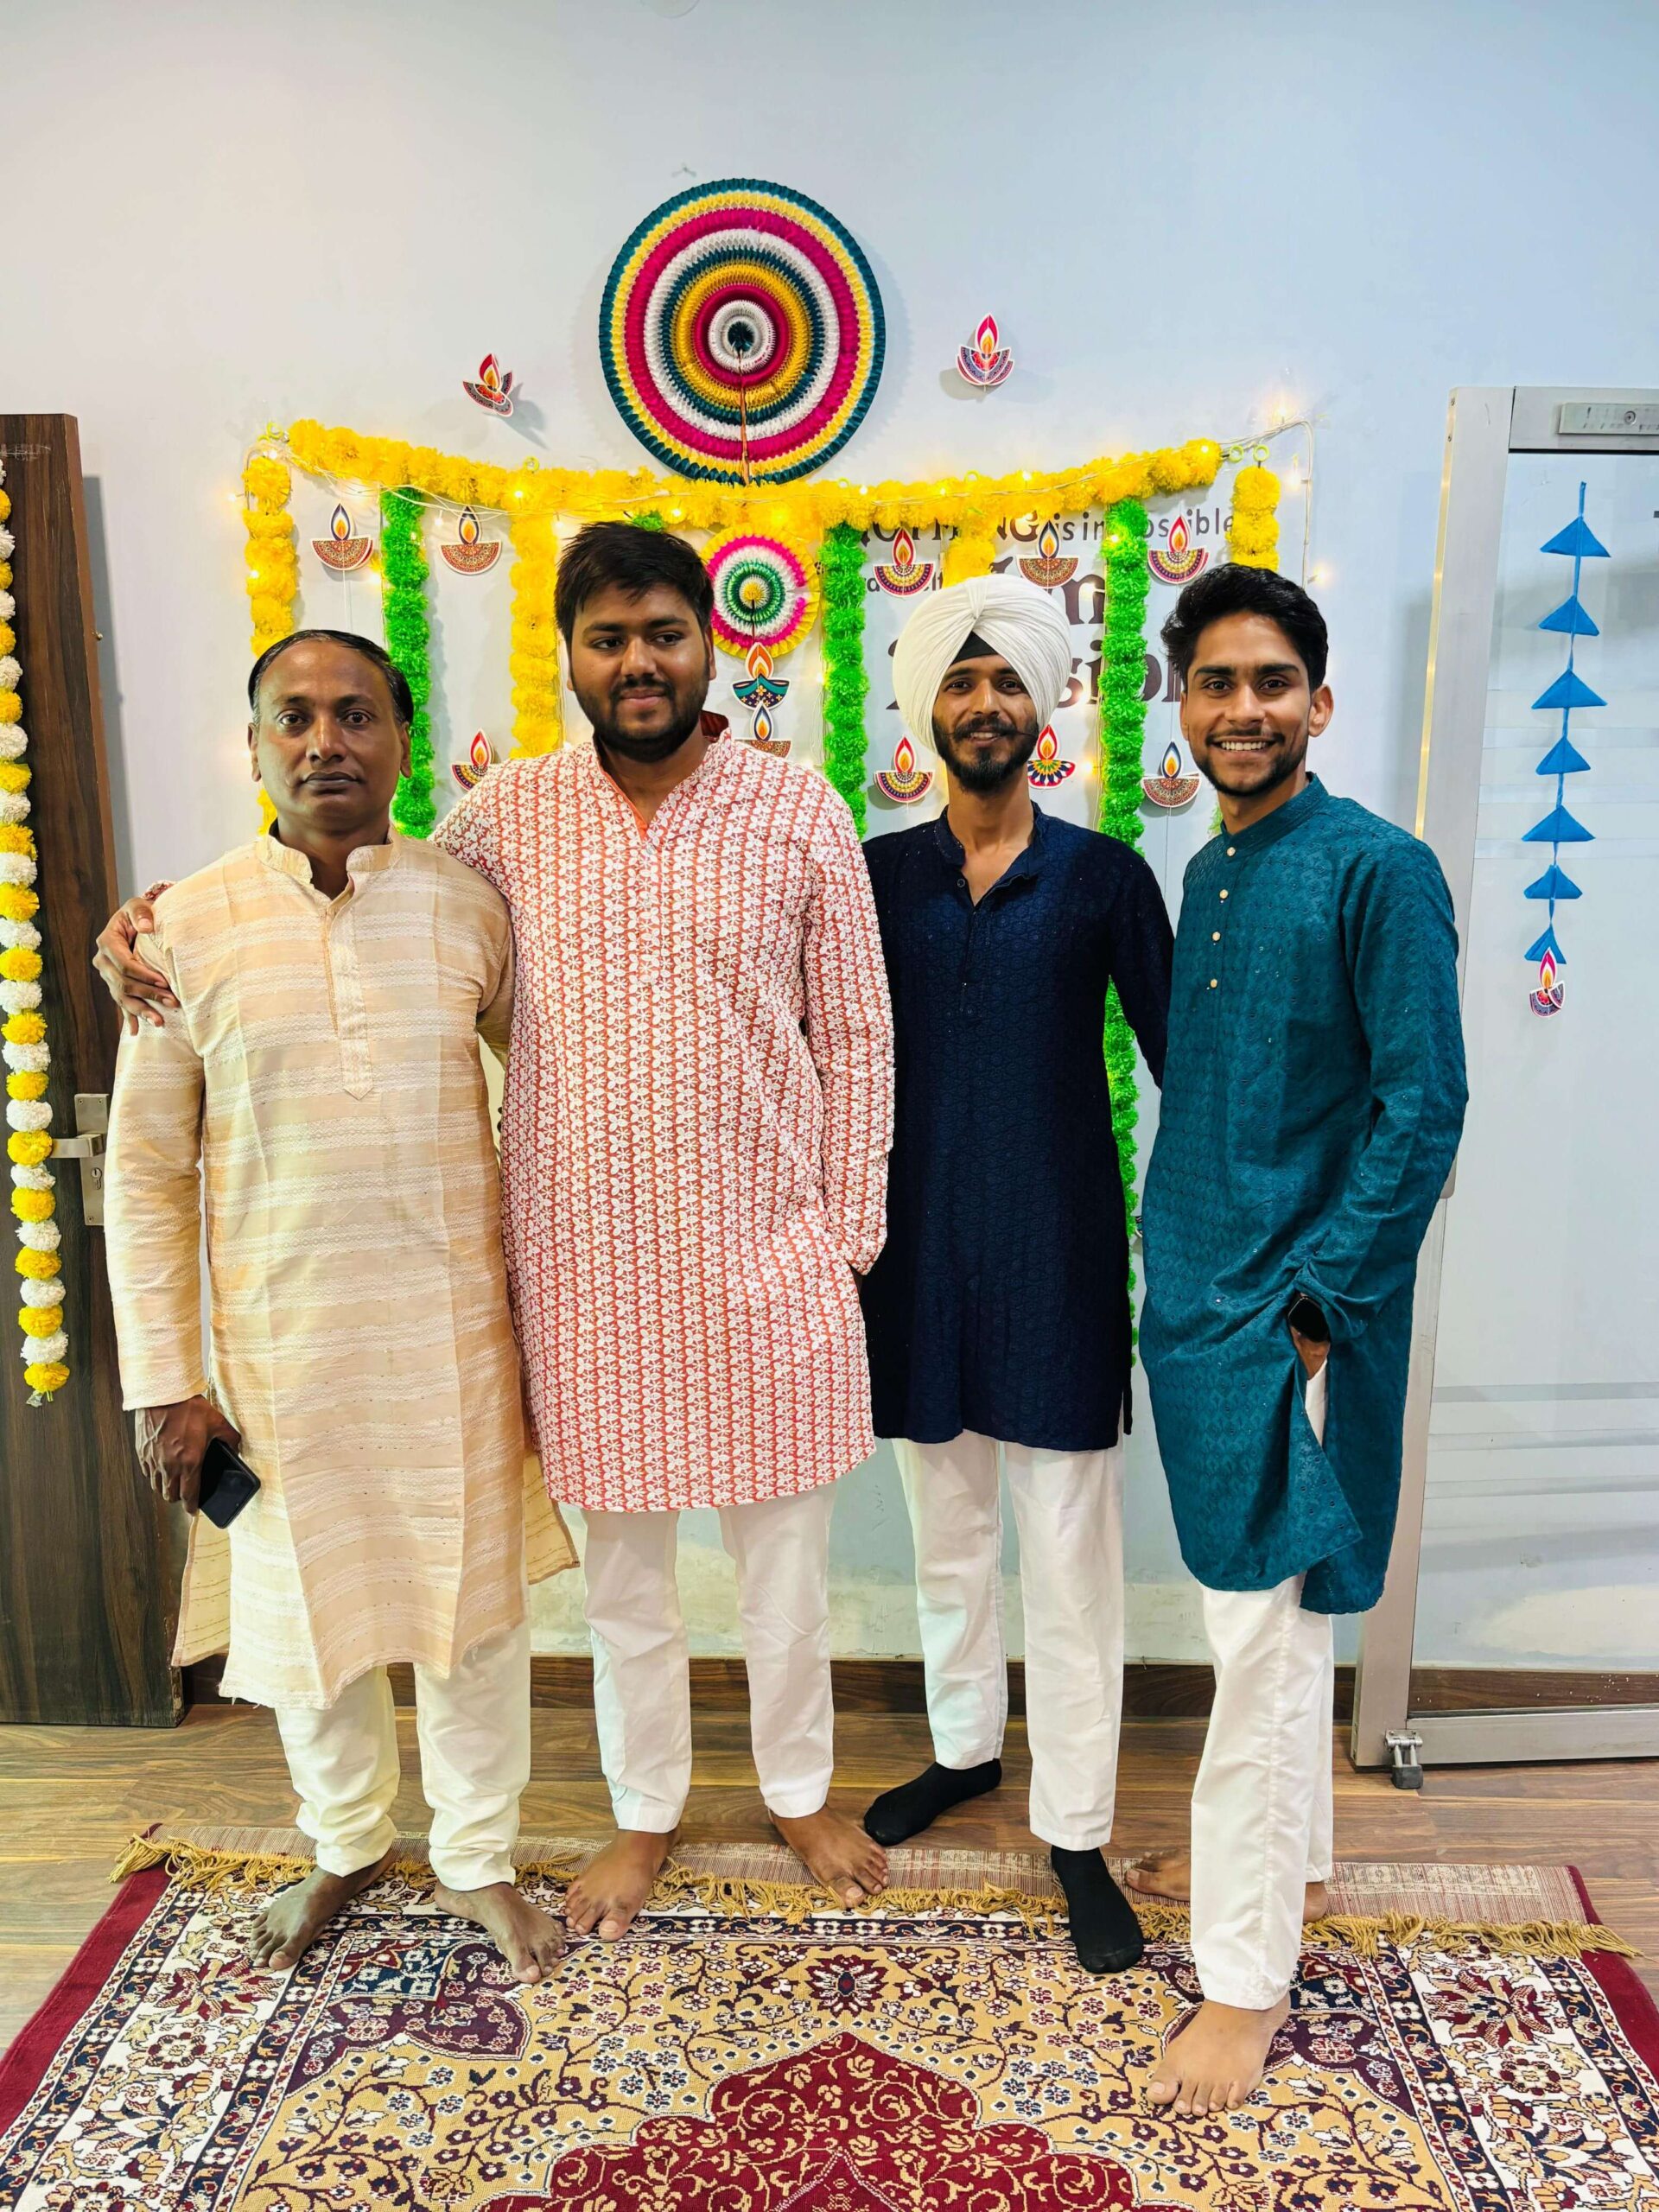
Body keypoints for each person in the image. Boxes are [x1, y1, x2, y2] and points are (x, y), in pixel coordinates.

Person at [99, 523, 896, 1940]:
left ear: (712, 644)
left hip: (769, 1262)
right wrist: (141, 930)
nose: (638, 661)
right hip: (584, 1276)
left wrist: (846, 1235)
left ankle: (798, 1790)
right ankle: (643, 1814)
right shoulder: (506, 821)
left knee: (784, 1578)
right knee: (629, 1591)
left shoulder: (800, 809)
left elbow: (858, 1035)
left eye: (664, 633)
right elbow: (370, 886)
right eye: (609, 638)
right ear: (571, 658)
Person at [104, 631, 575, 1980]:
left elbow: (556, 1090)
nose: (326, 742)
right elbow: (147, 1174)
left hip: (454, 1343)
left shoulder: (468, 909)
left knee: (475, 1617)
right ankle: (346, 1843)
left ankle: (476, 1856)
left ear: (402, 740)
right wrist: (166, 1381)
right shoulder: (181, 931)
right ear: (254, 745)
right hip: (281, 1352)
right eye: (295, 717)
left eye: (356, 714)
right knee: (310, 1621)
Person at [1130, 563, 1467, 2113]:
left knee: (1260, 1653)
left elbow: (1424, 1106)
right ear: (1184, 705)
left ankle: (1246, 1981)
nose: (1243, 708)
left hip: (1291, 1322)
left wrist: (1323, 1306)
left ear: (1319, 703)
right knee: (1259, 1633)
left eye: (1272, 681)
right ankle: (1287, 1869)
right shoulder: (1212, 869)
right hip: (1202, 1309)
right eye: (1216, 682)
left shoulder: (1379, 870)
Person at [857, 575, 1173, 1974]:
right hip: (916, 1257)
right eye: (961, 680)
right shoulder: (876, 878)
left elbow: (1181, 1060)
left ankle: (1078, 1828)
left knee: (1070, 1554)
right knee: (948, 1532)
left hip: (1059, 1256)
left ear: (1042, 708)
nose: (984, 703)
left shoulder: (1104, 877)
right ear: (924, 710)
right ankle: (964, 1747)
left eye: (1007, 682)